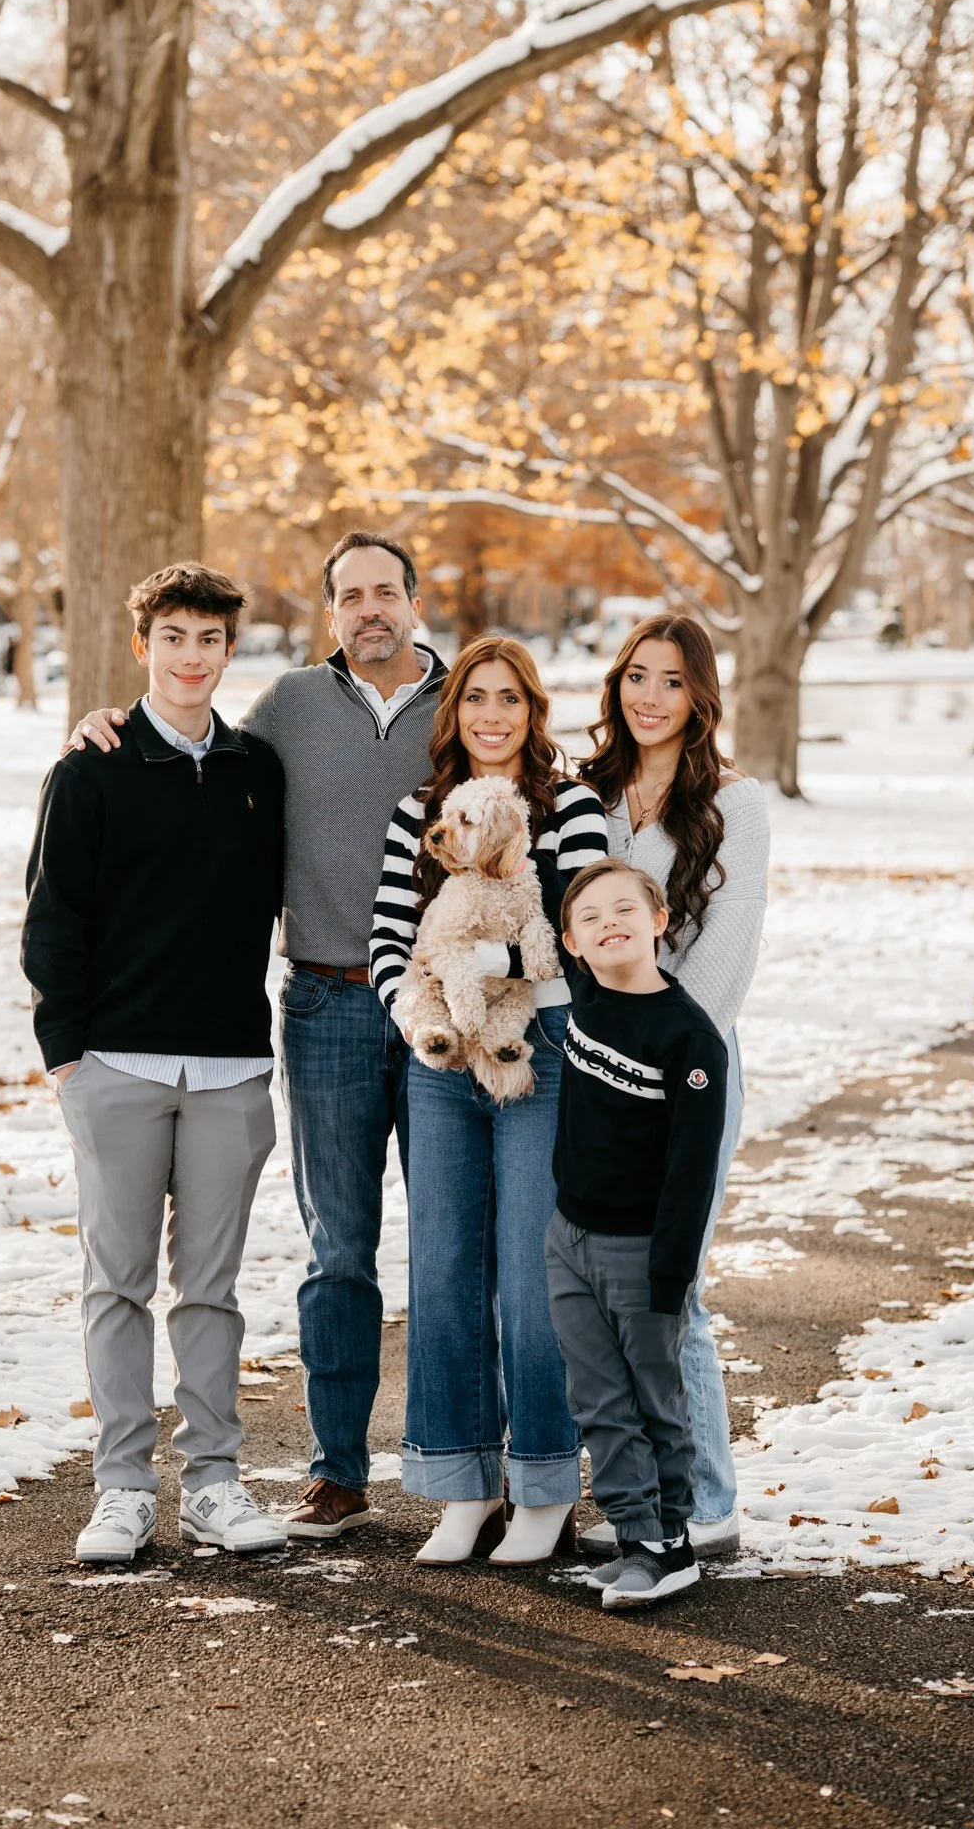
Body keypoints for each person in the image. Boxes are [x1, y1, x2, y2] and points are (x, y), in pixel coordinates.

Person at [63, 533, 446, 1539]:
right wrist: (68, 1053)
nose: (369, 608)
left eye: (385, 591)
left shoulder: (455, 713)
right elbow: (59, 907)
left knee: (444, 1251)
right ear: (328, 613)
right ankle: (282, 1474)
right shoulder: (271, 721)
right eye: (349, 595)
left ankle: (458, 1471)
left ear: (413, 600)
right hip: (310, 1007)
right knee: (326, 1253)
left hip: (411, 1016)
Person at [22, 563, 288, 1562]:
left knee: (212, 1288)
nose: (190, 655)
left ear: (228, 650)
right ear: (143, 645)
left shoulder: (259, 770)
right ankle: (124, 1485)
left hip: (228, 1070)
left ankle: (213, 1481)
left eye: (208, 639)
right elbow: (53, 922)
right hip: (116, 1068)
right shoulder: (88, 769)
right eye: (172, 636)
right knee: (117, 1282)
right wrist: (68, 1062)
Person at [370, 636, 609, 1565]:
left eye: (509, 698)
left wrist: (489, 965)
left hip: (539, 1054)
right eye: (475, 699)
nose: (492, 716)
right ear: (453, 711)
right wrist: (421, 1014)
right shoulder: (415, 816)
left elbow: (584, 943)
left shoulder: (569, 809)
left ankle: (544, 1483)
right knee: (441, 1271)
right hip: (438, 1057)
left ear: (532, 710)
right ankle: (459, 1486)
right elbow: (392, 940)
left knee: (530, 1276)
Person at [576, 615, 769, 1561]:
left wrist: (646, 1070)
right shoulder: (587, 796)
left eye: (671, 682)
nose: (648, 697)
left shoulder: (737, 804)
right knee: (606, 1300)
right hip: (591, 1078)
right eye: (635, 677)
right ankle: (640, 1504)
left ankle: (709, 1504)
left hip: (683, 1079)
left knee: (670, 1293)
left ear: (700, 697)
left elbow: (720, 973)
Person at [545, 858, 727, 1610]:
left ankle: (672, 1544)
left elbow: (691, 1177)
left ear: (660, 922)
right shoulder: (586, 994)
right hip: (568, 1240)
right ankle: (632, 1535)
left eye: (625, 908)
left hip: (639, 1253)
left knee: (655, 1400)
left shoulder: (689, 1041)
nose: (607, 923)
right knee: (597, 1400)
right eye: (588, 917)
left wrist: (669, 1276)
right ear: (571, 943)